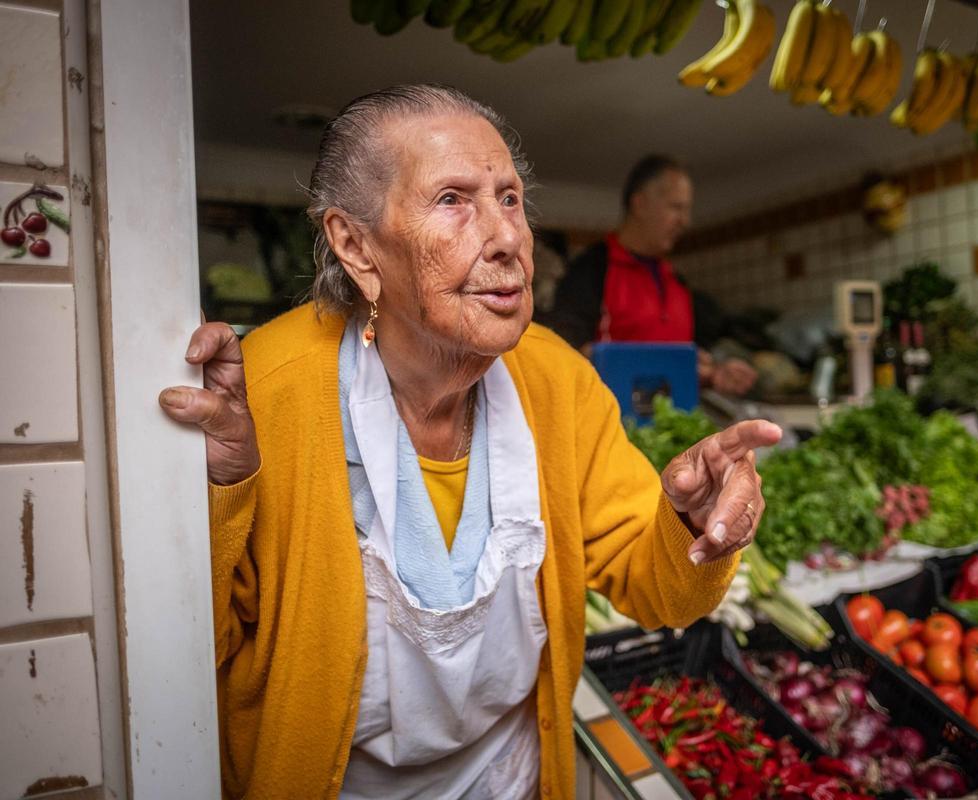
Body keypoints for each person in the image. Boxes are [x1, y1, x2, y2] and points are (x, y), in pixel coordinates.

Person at [158, 85, 779, 800]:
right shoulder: (265, 391)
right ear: (355, 244)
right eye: (454, 199)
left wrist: (693, 526)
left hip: (507, 778)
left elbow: (659, 588)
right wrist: (221, 490)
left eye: (510, 199)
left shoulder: (558, 380)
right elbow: (185, 654)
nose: (509, 237)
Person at [544, 155, 758, 396]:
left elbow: (689, 359)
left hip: (675, 420)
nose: (685, 222)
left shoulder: (676, 280)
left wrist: (714, 373)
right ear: (640, 203)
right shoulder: (593, 269)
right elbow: (562, 352)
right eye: (676, 207)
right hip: (613, 421)